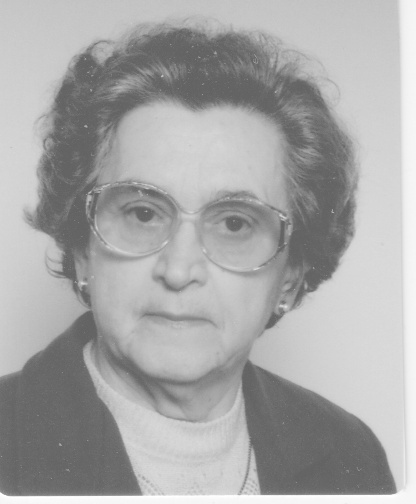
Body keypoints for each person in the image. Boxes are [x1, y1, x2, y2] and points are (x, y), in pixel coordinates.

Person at [0, 21, 396, 496]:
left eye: (235, 224)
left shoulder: (350, 454)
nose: (179, 270)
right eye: (143, 213)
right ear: (83, 249)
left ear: (290, 277)